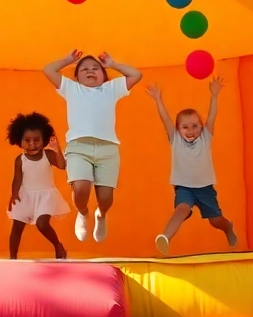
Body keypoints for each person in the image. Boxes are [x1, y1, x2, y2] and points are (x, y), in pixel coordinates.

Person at [43, 50, 142, 243]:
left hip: (107, 149)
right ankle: (83, 212)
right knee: (80, 189)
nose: (90, 71)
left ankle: (101, 215)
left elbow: (136, 75)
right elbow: (48, 69)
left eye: (96, 68)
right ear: (77, 76)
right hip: (79, 147)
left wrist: (113, 64)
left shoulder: (110, 89)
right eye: (84, 69)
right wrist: (68, 60)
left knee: (105, 198)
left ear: (103, 74)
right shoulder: (72, 89)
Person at [146, 78, 238, 257]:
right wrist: (158, 99)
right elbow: (165, 119)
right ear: (178, 129)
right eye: (185, 127)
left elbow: (212, 116)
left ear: (202, 127)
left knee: (215, 220)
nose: (190, 130)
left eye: (195, 126)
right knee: (182, 209)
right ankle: (165, 237)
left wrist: (214, 95)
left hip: (205, 188)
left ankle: (228, 228)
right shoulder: (175, 139)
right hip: (184, 186)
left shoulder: (206, 137)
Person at [5, 112, 69, 260]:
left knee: (42, 224)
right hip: (25, 196)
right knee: (16, 228)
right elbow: (17, 179)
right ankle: (12, 258)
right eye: (27, 140)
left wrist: (57, 149)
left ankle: (57, 245)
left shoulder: (48, 155)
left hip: (45, 196)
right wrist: (13, 195)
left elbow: (62, 165)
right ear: (19, 141)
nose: (32, 144)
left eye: (37, 140)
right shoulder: (20, 160)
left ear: (44, 140)